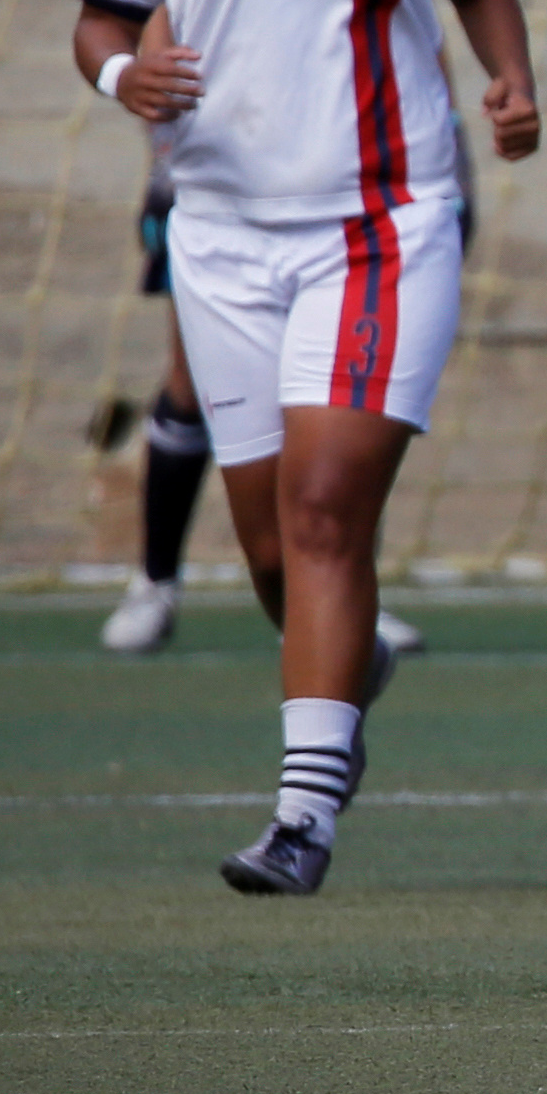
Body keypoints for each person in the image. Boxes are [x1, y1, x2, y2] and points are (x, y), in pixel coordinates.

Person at [67, 0, 542, 895]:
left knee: (331, 512)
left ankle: (303, 819)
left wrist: (513, 81)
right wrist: (125, 74)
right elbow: (100, 16)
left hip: (381, 230)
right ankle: (348, 663)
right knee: (275, 546)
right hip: (220, 238)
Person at [101, 93, 426, 670]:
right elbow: (136, 39)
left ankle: (345, 596)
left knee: (338, 401)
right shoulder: (185, 4)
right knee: (193, 382)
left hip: (333, 206)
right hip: (216, 204)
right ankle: (155, 584)